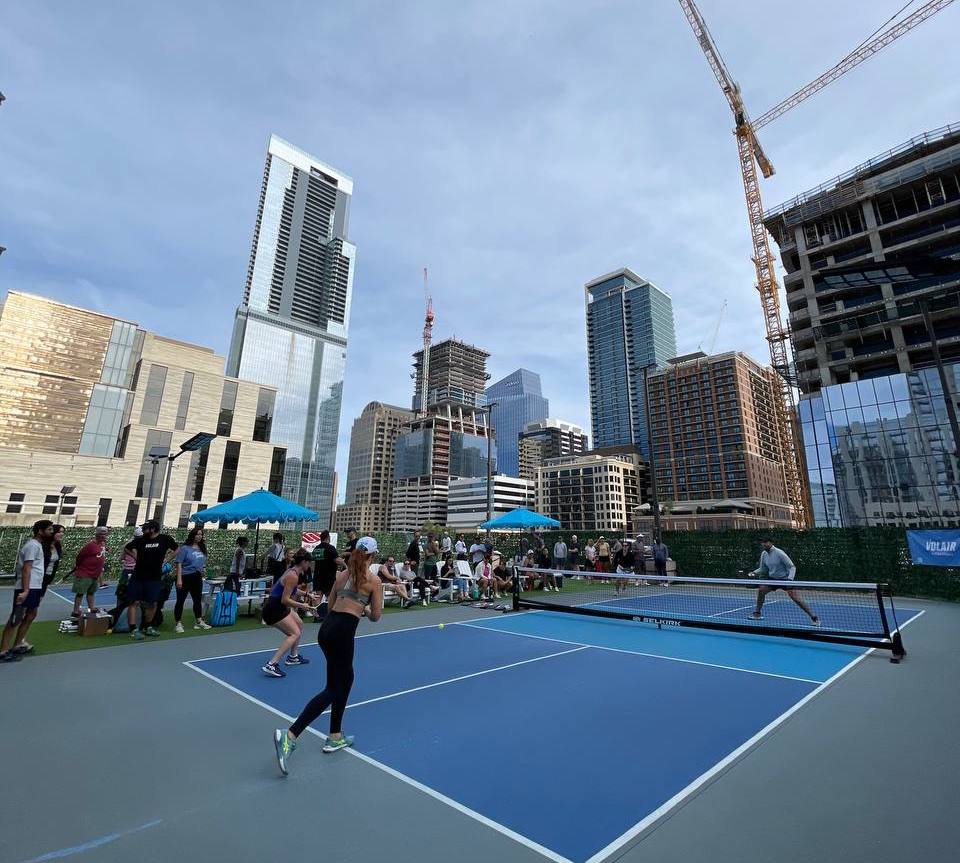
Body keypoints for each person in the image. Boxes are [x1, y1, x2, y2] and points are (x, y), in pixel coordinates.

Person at [273, 536, 383, 772]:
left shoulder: (341, 575)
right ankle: (290, 735)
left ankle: (335, 734)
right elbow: (376, 616)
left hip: (327, 630)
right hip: (343, 633)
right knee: (334, 688)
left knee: (345, 680)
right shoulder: (373, 581)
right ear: (372, 556)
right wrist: (361, 606)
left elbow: (331, 604)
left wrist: (350, 601)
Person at [1, 520, 54, 661]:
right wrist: (25, 591)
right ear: (40, 531)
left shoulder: (38, 546)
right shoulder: (31, 546)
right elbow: (26, 569)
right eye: (49, 530)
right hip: (26, 587)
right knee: (16, 618)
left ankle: (17, 645)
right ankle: (3, 651)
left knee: (31, 614)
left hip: (35, 586)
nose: (51, 532)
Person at [261, 549, 317, 678]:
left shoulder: (292, 571)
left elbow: (292, 589)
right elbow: (285, 599)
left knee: (299, 623)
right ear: (303, 562)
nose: (309, 565)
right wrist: (303, 605)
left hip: (278, 607)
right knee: (294, 633)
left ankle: (293, 657)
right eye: (308, 563)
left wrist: (307, 594)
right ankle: (272, 664)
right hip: (274, 609)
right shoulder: (293, 575)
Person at [124, 520, 178, 640]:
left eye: (146, 528)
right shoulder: (141, 540)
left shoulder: (165, 539)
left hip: (154, 577)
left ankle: (147, 626)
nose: (144, 531)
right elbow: (127, 548)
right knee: (134, 602)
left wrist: (167, 560)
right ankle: (133, 629)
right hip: (138, 576)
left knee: (153, 603)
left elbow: (177, 549)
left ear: (153, 529)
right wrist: (135, 557)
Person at [749, 538, 819, 625]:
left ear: (771, 543)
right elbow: (763, 569)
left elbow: (792, 567)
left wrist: (790, 580)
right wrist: (754, 573)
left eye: (765, 542)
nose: (763, 544)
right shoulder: (764, 554)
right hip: (773, 580)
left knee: (796, 598)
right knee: (761, 590)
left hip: (785, 579)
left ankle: (814, 617)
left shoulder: (779, 553)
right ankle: (757, 614)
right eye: (762, 543)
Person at [173, 526, 211, 633]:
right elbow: (179, 564)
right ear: (193, 535)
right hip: (185, 576)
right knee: (180, 600)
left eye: (201, 534)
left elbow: (202, 562)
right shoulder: (185, 548)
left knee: (197, 600)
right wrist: (179, 579)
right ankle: (178, 623)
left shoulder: (202, 548)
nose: (199, 536)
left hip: (197, 576)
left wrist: (203, 570)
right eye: (197, 534)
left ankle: (199, 620)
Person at [71, 526, 109, 617]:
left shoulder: (103, 544)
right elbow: (80, 557)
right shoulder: (90, 545)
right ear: (97, 535)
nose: (104, 536)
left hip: (95, 574)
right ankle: (76, 611)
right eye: (102, 534)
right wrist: (79, 566)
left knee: (91, 592)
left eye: (105, 534)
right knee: (80, 593)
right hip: (85, 573)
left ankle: (91, 608)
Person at [310, 530, 344, 619]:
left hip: (317, 575)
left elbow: (312, 563)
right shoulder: (330, 548)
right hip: (328, 576)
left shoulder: (316, 548)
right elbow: (337, 560)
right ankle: (330, 614)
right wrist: (346, 565)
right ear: (328, 537)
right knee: (330, 596)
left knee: (318, 596)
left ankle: (317, 615)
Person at [41, 523, 65, 599]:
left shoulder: (57, 546)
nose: (61, 534)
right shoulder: (42, 545)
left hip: (47, 577)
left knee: (39, 600)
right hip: (38, 577)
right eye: (59, 532)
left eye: (62, 532)